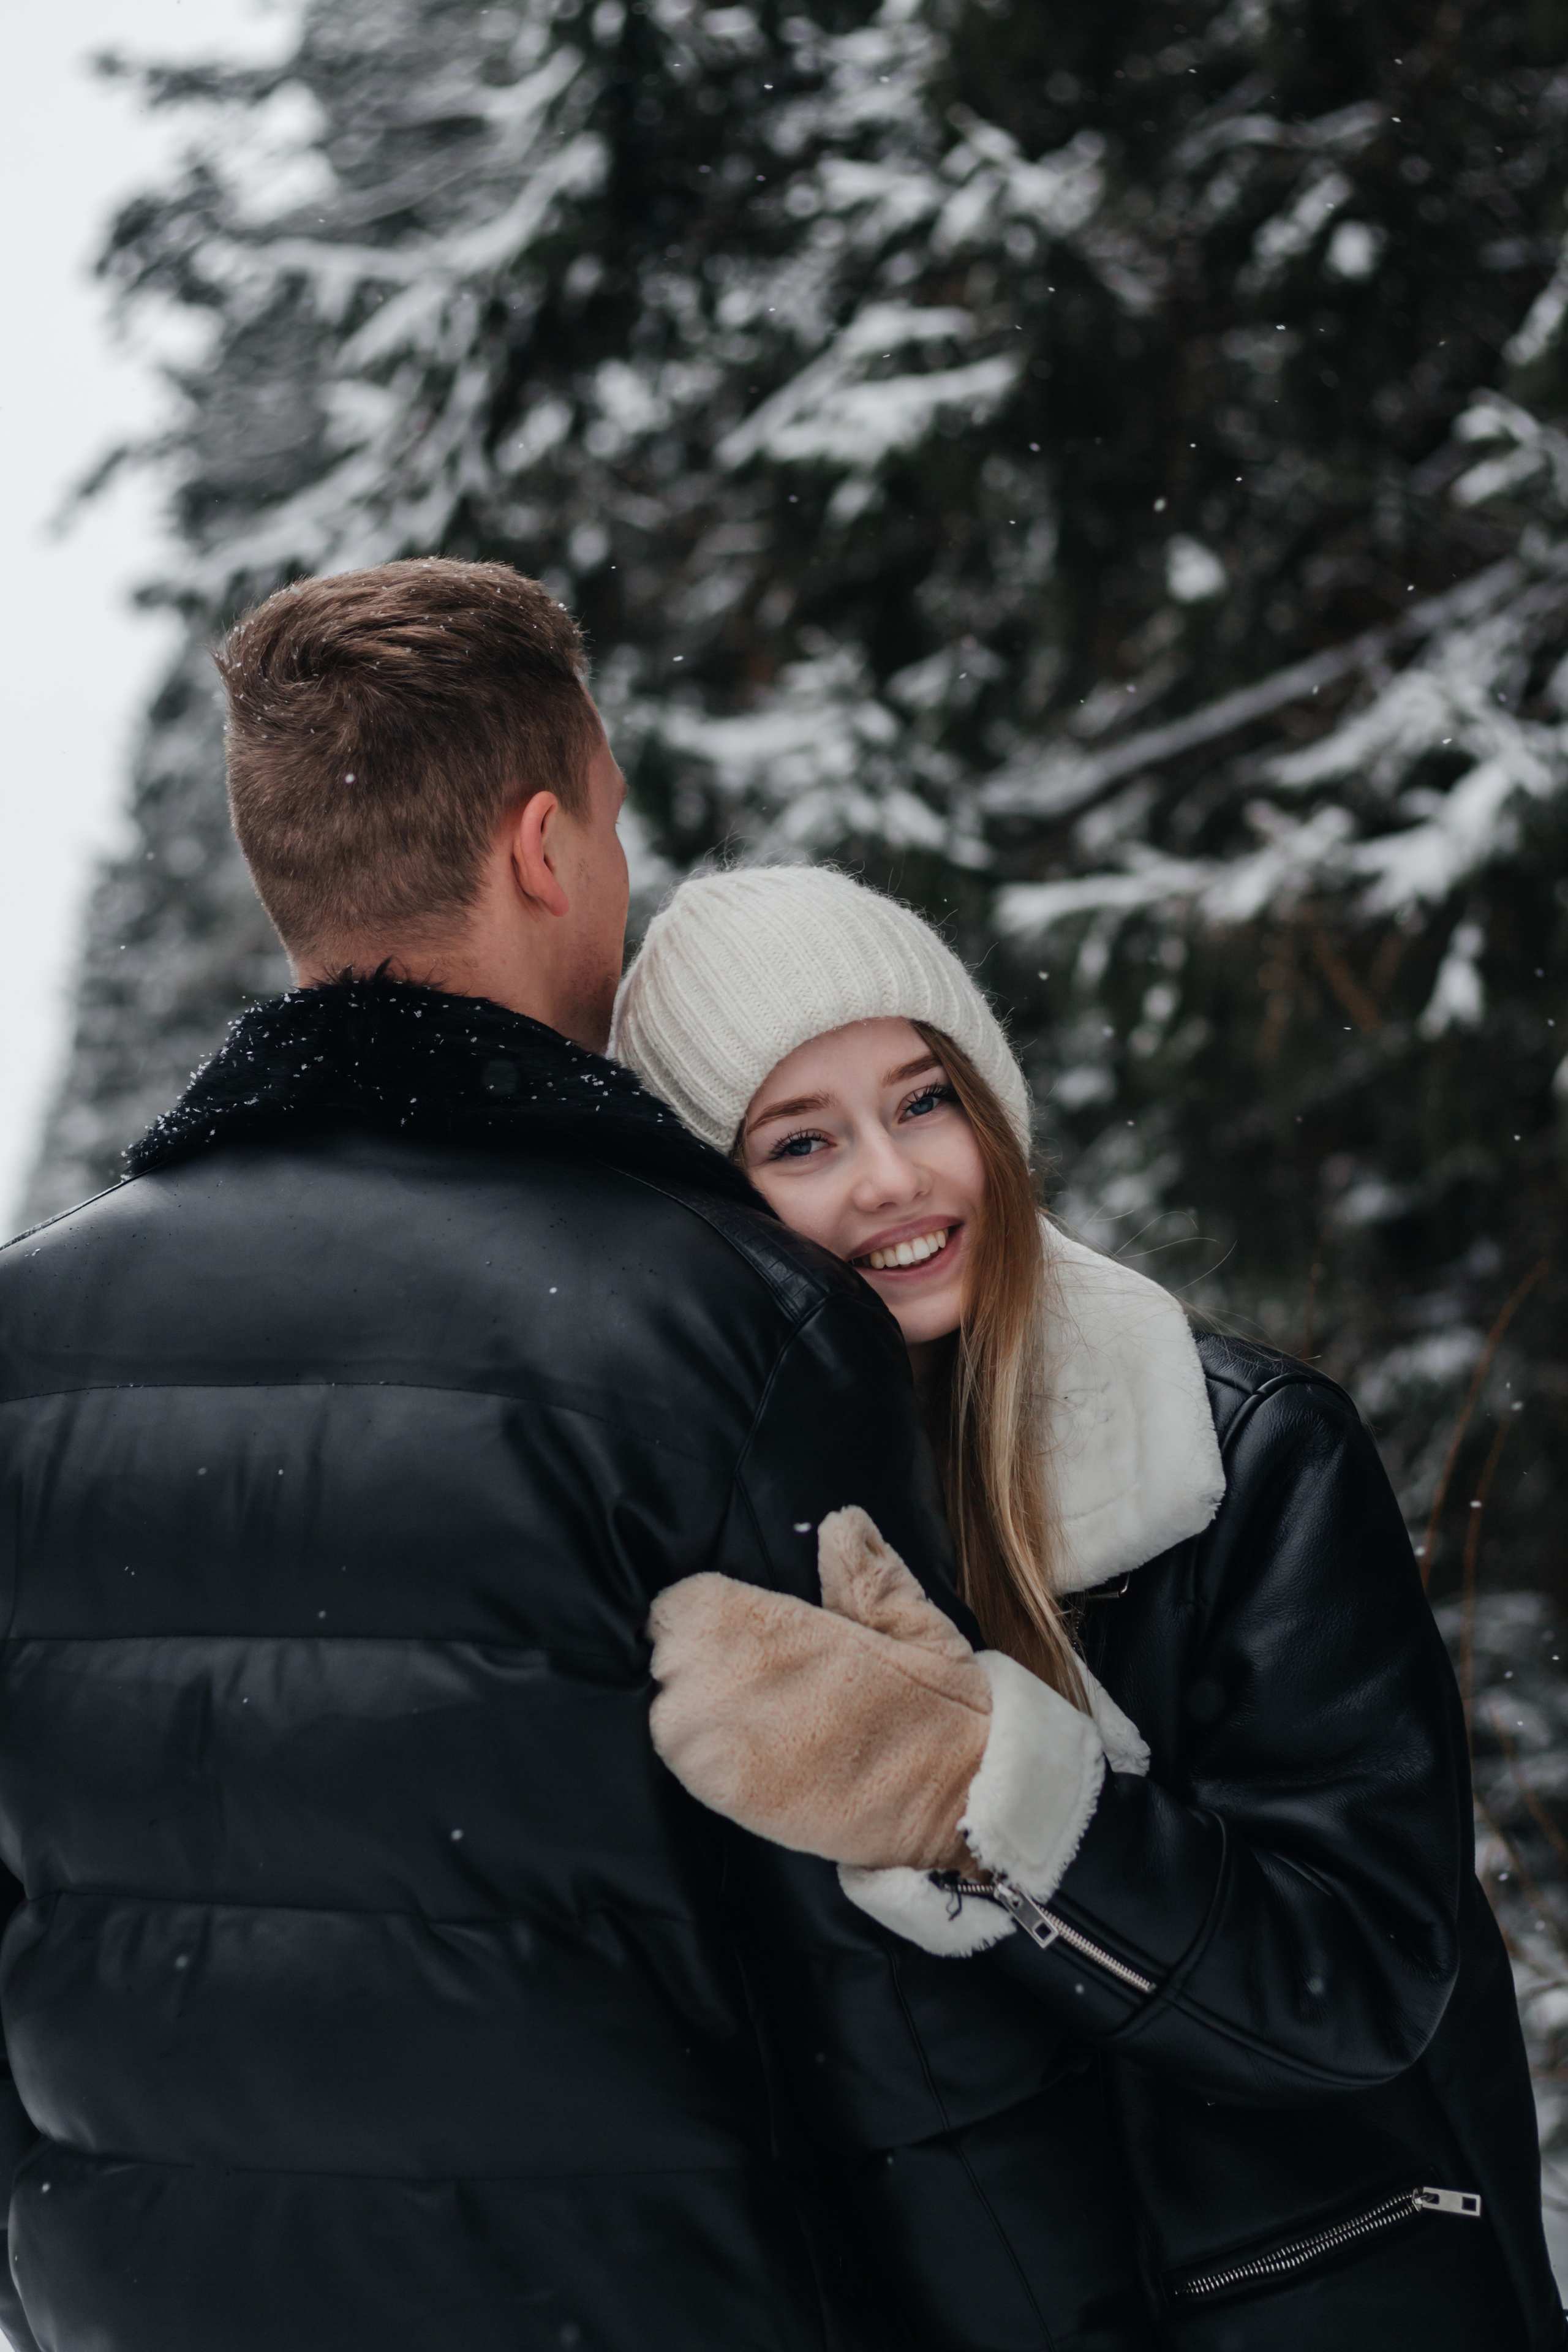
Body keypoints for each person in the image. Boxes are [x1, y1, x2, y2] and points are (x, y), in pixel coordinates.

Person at [0, 561, 1135, 2352]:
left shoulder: (26, 1336)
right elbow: (875, 1970)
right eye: (613, 823)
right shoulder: (722, 1324)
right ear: (544, 845)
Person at [612, 862, 1567, 2352]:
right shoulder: (734, 1557)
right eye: (800, 1140)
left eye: (922, 1100)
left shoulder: (1239, 1457)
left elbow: (1357, 1982)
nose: (891, 1177)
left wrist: (988, 1800)